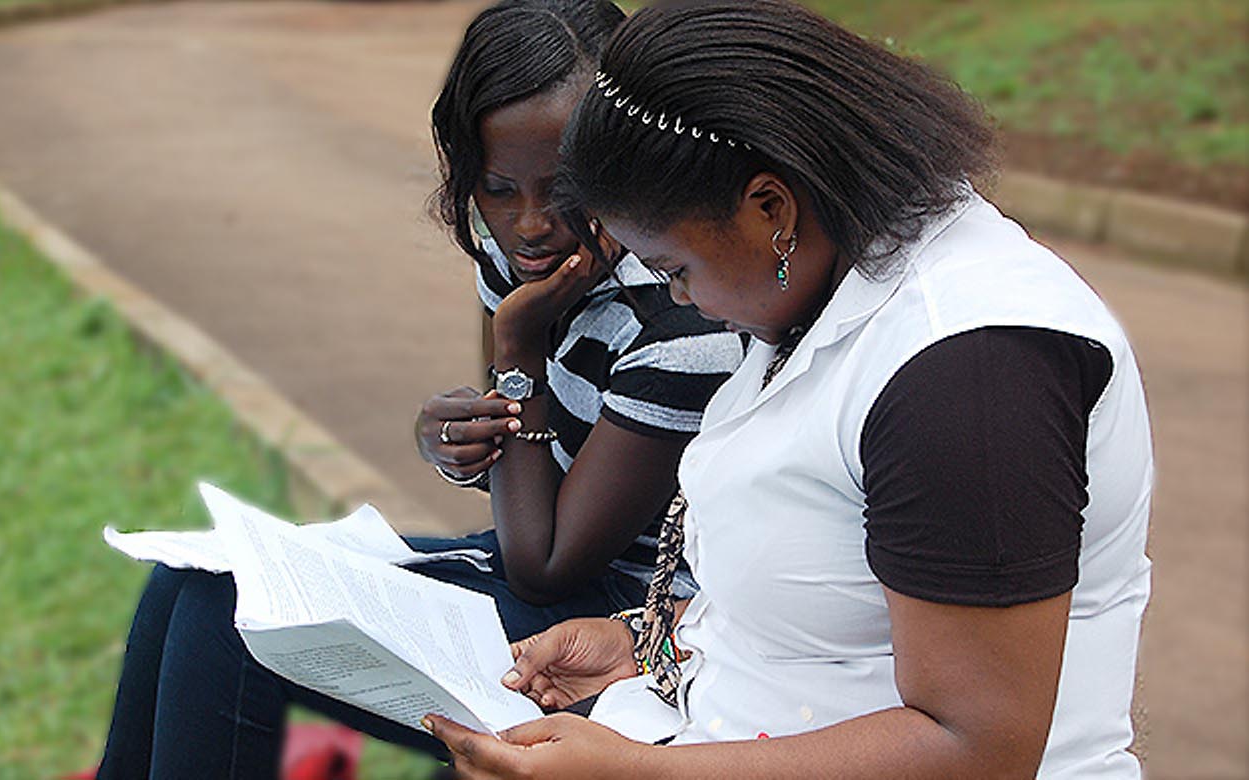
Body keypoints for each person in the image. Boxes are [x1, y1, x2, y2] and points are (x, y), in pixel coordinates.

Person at [422, 1, 1154, 778]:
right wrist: (650, 643)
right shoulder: (829, 284)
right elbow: (832, 607)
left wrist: (639, 772)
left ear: (771, 208)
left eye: (676, 268)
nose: (677, 299)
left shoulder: (970, 374)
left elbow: (977, 746)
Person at [94, 2, 743, 777]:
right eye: (499, 190)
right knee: (190, 579)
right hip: (545, 566)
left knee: (221, 617)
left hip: (633, 630)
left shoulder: (680, 322)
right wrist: (458, 444)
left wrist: (518, 349)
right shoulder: (526, 267)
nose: (532, 225)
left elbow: (547, 563)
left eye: (563, 186)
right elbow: (519, 452)